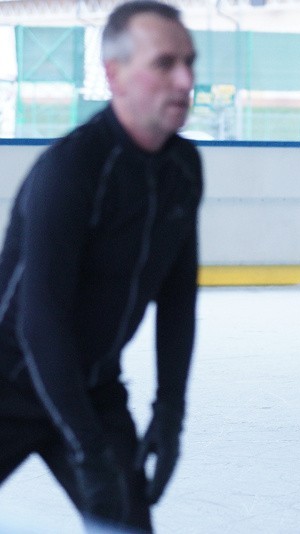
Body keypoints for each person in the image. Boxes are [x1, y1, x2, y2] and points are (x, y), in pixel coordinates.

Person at [0, 1, 202, 531]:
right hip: (7, 381)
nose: (185, 80)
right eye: (164, 63)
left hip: (90, 387)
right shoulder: (72, 170)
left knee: (127, 525)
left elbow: (178, 301)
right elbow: (38, 323)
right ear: (114, 75)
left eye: (190, 61)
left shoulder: (183, 167)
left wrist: (171, 414)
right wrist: (87, 448)